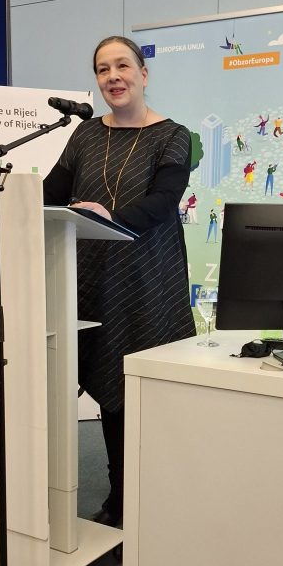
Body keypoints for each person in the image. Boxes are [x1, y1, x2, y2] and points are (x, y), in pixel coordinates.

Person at [43, 35, 195, 527]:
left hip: (145, 280)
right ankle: (94, 498)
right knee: (84, 385)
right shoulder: (84, 135)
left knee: (133, 392)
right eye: (103, 69)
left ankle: (142, 498)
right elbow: (51, 193)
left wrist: (110, 218)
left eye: (123, 66)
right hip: (85, 275)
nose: (113, 76)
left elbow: (163, 202)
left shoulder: (173, 136)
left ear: (143, 74)